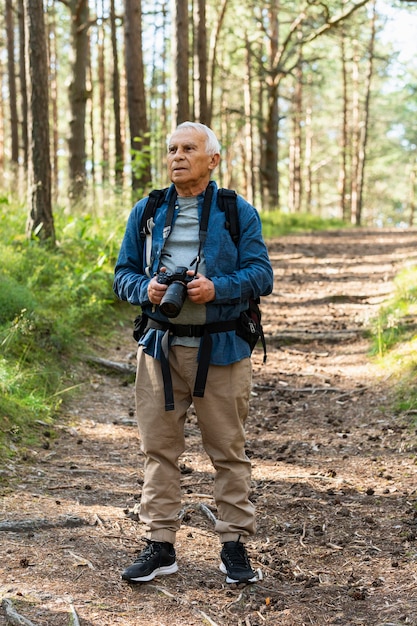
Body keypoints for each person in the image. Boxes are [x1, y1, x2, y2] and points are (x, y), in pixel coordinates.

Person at [113, 121, 273, 585]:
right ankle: (161, 546)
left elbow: (261, 274)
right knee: (158, 451)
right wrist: (148, 287)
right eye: (172, 149)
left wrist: (216, 288)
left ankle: (234, 547)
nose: (177, 156)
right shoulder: (147, 210)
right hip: (158, 349)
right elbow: (122, 274)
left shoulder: (236, 211)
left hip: (221, 350)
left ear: (213, 160)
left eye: (189, 149)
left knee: (228, 451)